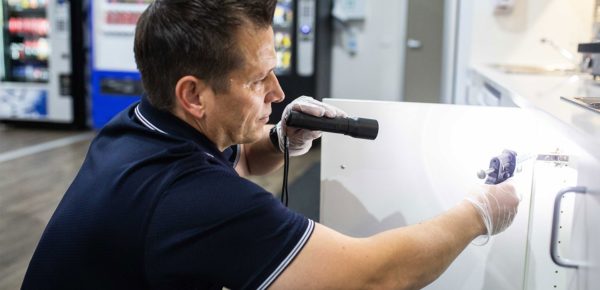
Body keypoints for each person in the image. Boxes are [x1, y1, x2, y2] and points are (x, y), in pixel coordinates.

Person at [22, 1, 520, 289]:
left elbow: (227, 160)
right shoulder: (190, 198)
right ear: (193, 94)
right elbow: (375, 276)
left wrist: (279, 140)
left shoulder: (138, 127)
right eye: (258, 79)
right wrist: (480, 211)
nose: (279, 94)